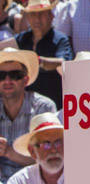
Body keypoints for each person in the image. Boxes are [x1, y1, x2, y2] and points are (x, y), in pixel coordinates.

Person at [0, 48, 55, 181]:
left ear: (26, 80)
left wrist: (8, 152)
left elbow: (50, 159)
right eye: (1, 76)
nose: (7, 81)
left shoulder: (43, 107)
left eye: (15, 75)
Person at [14, 0, 72, 107]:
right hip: (24, 106)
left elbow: (64, 63)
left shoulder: (60, 39)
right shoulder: (21, 39)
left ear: (51, 15)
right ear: (28, 18)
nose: (37, 18)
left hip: (54, 103)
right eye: (32, 14)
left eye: (41, 13)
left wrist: (37, 61)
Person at [6, 112, 64, 184]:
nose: (53, 150)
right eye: (46, 144)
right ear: (32, 151)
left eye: (57, 143)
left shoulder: (79, 174)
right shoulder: (20, 181)